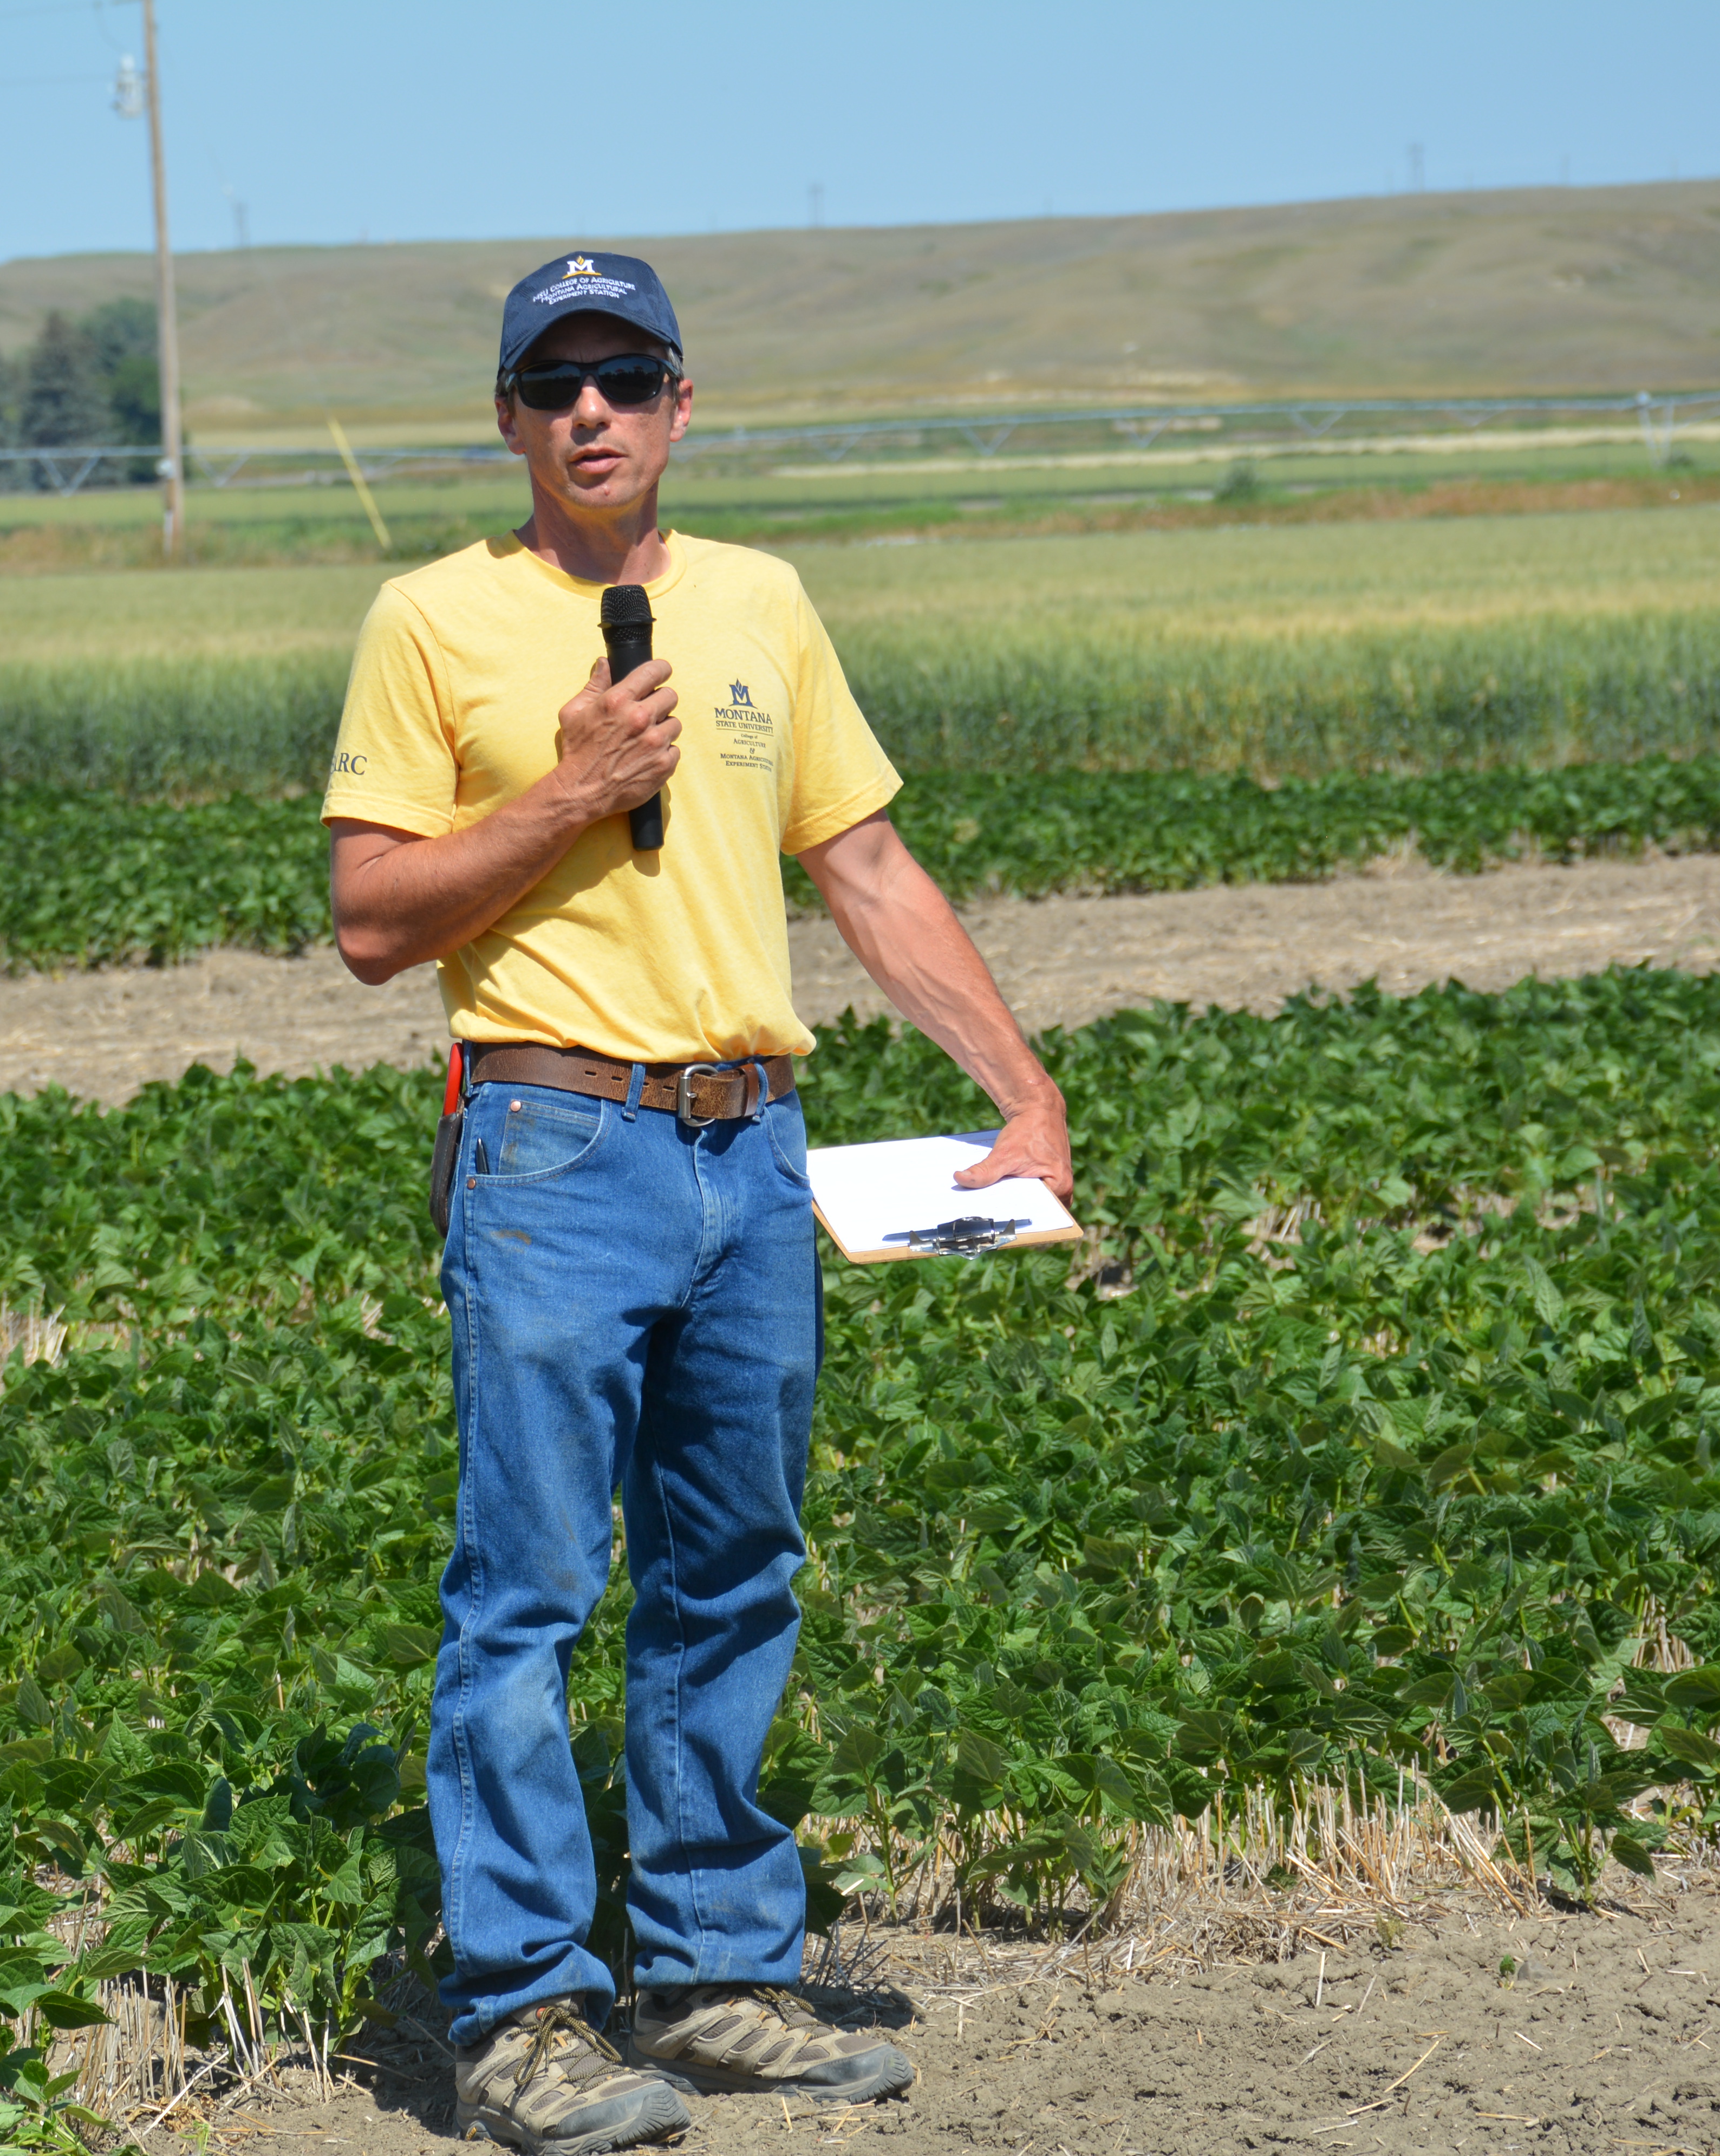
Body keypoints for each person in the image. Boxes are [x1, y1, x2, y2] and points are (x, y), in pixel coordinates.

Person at [322, 252, 1076, 2155]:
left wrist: (1024, 1086)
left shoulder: (763, 601)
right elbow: (371, 923)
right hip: (554, 1146)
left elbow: (867, 864)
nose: (591, 411)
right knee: (526, 1592)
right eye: (553, 383)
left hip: (753, 1150)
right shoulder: (431, 620)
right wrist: (571, 791)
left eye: (626, 377)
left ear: (681, 402)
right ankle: (520, 2012)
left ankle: (713, 1974)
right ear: (508, 417)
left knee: (735, 1570)